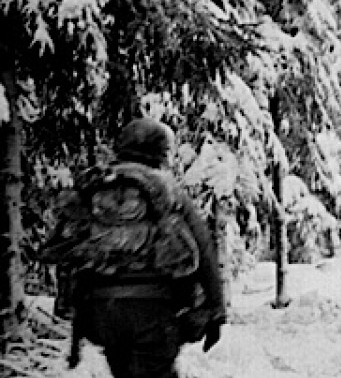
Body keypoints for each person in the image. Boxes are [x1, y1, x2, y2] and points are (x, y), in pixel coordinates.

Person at [40, 118, 225, 378]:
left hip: (99, 312)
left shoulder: (95, 187)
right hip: (153, 310)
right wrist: (217, 309)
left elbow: (65, 245)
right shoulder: (167, 190)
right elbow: (203, 249)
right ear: (160, 151)